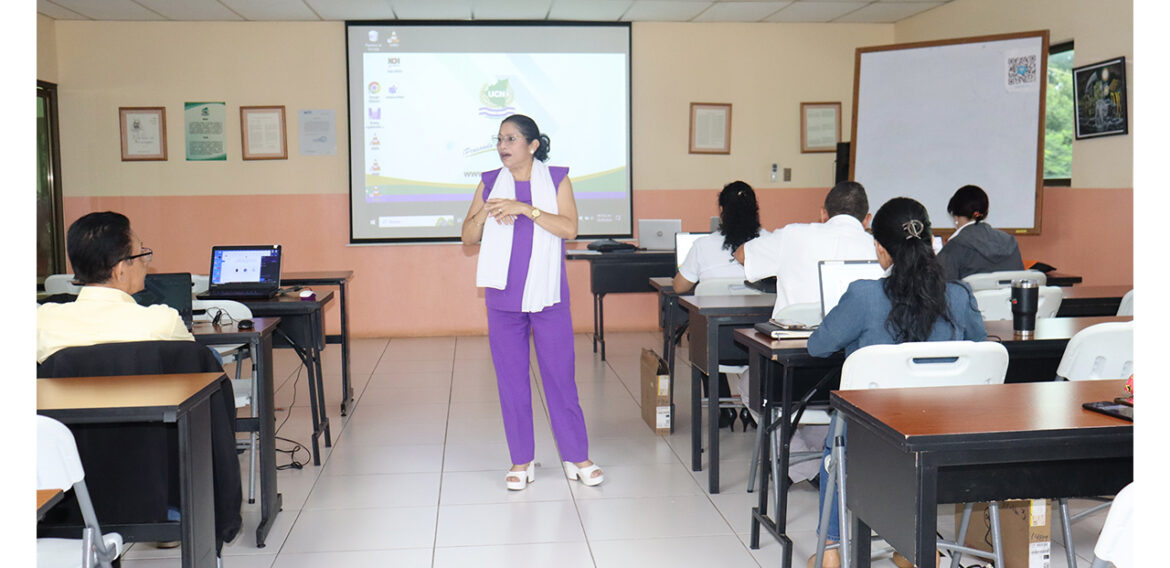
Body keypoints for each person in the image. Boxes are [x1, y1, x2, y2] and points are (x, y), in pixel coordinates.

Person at [804, 197, 987, 568]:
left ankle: (832, 550)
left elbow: (817, 346)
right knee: (908, 445)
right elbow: (981, 350)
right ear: (930, 244)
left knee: (836, 443)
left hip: (869, 441)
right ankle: (917, 545)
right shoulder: (960, 296)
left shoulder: (863, 296)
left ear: (881, 249)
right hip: (942, 436)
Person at [461, 114, 603, 490]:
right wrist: (483, 210)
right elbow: (468, 237)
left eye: (511, 138)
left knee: (560, 378)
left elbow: (570, 229)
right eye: (500, 139)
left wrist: (527, 209)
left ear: (532, 145)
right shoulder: (490, 182)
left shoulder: (556, 179)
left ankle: (577, 456)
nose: (503, 146)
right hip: (503, 298)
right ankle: (521, 459)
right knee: (511, 381)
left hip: (548, 297)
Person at [37, 211, 194, 363]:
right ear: (120, 270)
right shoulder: (163, 322)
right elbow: (198, 366)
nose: (146, 263)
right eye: (141, 255)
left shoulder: (42, 321)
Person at [673, 180, 761, 430]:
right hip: (759, 344)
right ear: (755, 209)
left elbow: (679, 287)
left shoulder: (703, 246)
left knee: (702, 331)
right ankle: (752, 407)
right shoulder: (769, 242)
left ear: (722, 211)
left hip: (717, 347)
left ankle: (721, 408)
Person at [734, 181, 876, 321]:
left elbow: (742, 255)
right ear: (867, 219)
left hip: (789, 339)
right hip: (854, 342)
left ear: (823, 214)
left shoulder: (792, 235)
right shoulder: (879, 249)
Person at [935, 184, 1025, 281]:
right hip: (1009, 296)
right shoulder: (1010, 242)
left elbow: (942, 290)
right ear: (985, 212)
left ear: (955, 216)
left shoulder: (954, 247)